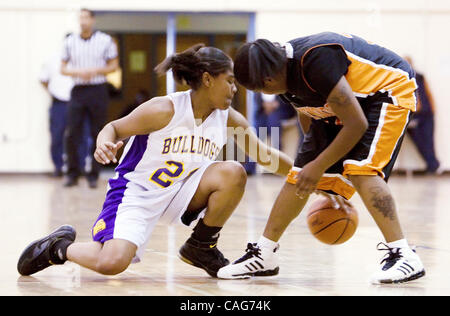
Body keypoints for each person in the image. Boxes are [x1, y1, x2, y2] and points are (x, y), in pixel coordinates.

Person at [17, 44, 293, 278]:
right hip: (137, 193)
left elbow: (263, 155)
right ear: (208, 79)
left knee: (233, 172)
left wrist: (309, 176)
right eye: (230, 81)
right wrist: (103, 144)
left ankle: (202, 246)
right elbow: (113, 128)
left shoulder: (229, 118)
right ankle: (59, 247)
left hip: (180, 191)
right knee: (112, 263)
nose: (235, 89)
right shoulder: (165, 109)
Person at [217, 32, 425, 284]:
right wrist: (315, 168)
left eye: (261, 87)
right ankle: (265, 253)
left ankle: (404, 255)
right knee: (298, 178)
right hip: (351, 102)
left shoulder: (316, 60)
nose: (262, 92)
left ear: (269, 77)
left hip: (388, 89)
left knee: (362, 171)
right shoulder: (282, 72)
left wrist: (319, 165)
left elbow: (356, 124)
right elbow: (309, 115)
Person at [61, 8, 119, 188]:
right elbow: (63, 69)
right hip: (78, 89)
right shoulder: (69, 42)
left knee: (97, 132)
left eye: (86, 17)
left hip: (98, 89)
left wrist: (95, 71)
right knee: (72, 133)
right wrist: (79, 72)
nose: (83, 21)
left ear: (92, 20)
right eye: (81, 17)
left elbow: (114, 65)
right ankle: (72, 173)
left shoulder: (105, 40)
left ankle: (93, 174)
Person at [244, 92, 299, 175]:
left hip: (281, 110)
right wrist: (264, 105)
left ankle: (276, 166)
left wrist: (276, 105)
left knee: (273, 123)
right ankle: (250, 167)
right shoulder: (257, 84)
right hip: (263, 111)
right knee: (256, 130)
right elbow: (257, 99)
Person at [403, 56, 441, 174]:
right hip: (415, 115)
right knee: (418, 141)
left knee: (428, 140)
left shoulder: (420, 76)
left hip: (426, 114)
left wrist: (433, 108)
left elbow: (428, 92)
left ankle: (433, 166)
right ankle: (432, 164)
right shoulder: (402, 78)